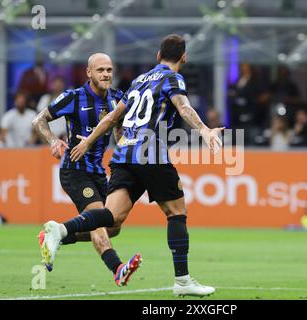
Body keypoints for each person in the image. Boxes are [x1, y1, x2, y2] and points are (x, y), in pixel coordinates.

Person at [39, 34, 223, 297]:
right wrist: (204, 130)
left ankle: (61, 229)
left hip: (124, 154)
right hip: (150, 152)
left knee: (113, 218)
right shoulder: (173, 78)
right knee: (176, 212)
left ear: (158, 56)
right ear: (183, 57)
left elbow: (113, 117)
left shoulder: (138, 81)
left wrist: (89, 141)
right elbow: (183, 108)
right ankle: (182, 281)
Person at [32, 53, 129, 282]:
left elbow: (119, 134)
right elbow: (39, 120)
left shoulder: (117, 98)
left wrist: (124, 144)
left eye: (109, 70)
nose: (106, 74)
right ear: (89, 73)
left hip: (99, 172)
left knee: (113, 225)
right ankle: (117, 268)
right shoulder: (73, 98)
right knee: (96, 218)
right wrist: (53, 141)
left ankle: (58, 236)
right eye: (100, 70)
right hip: (75, 170)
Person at [36, 76, 68, 140]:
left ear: (63, 85)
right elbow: (38, 119)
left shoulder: (68, 99)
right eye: (55, 84)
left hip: (65, 137)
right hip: (48, 137)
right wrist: (44, 137)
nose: (57, 86)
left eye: (60, 84)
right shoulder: (45, 98)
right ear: (51, 85)